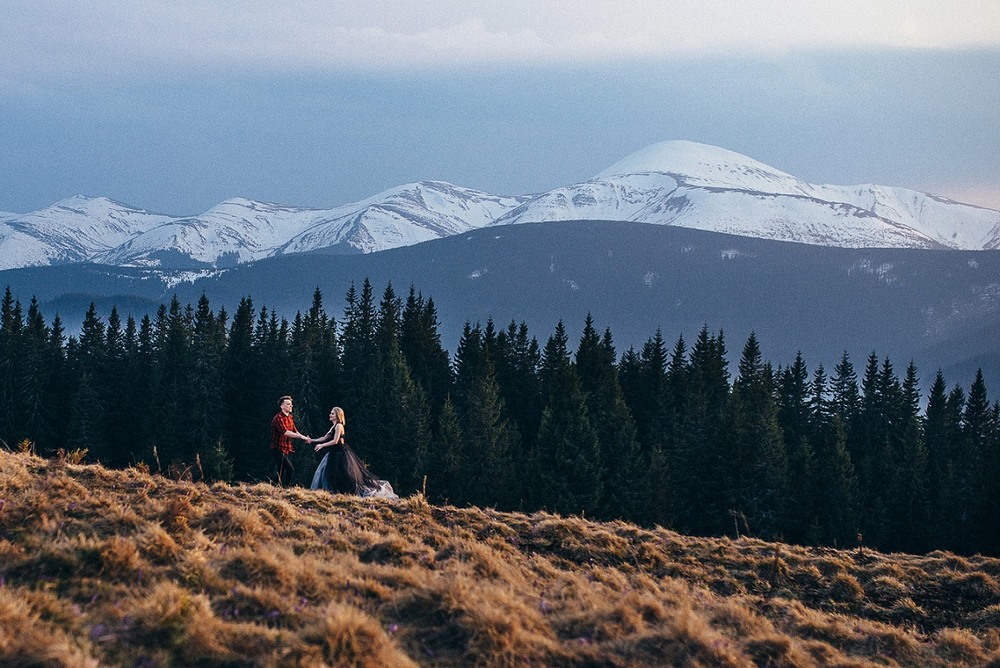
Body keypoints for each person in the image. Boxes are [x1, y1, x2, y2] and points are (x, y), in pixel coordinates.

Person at [309, 406, 398, 499]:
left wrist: (322, 445)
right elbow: (324, 438)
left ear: (338, 415)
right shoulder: (333, 427)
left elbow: (335, 441)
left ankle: (342, 492)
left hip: (340, 453)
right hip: (334, 453)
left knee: (342, 474)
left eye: (332, 413)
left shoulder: (339, 426)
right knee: (329, 474)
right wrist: (312, 440)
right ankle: (332, 492)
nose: (330, 415)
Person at [270, 395, 310, 486]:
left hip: (286, 448)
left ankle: (274, 487)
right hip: (277, 448)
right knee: (289, 469)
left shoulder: (290, 417)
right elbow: (286, 432)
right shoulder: (278, 418)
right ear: (282, 406)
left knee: (281, 470)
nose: (290, 406)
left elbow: (295, 431)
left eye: (291, 404)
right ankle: (287, 488)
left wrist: (305, 438)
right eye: (288, 404)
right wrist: (301, 437)